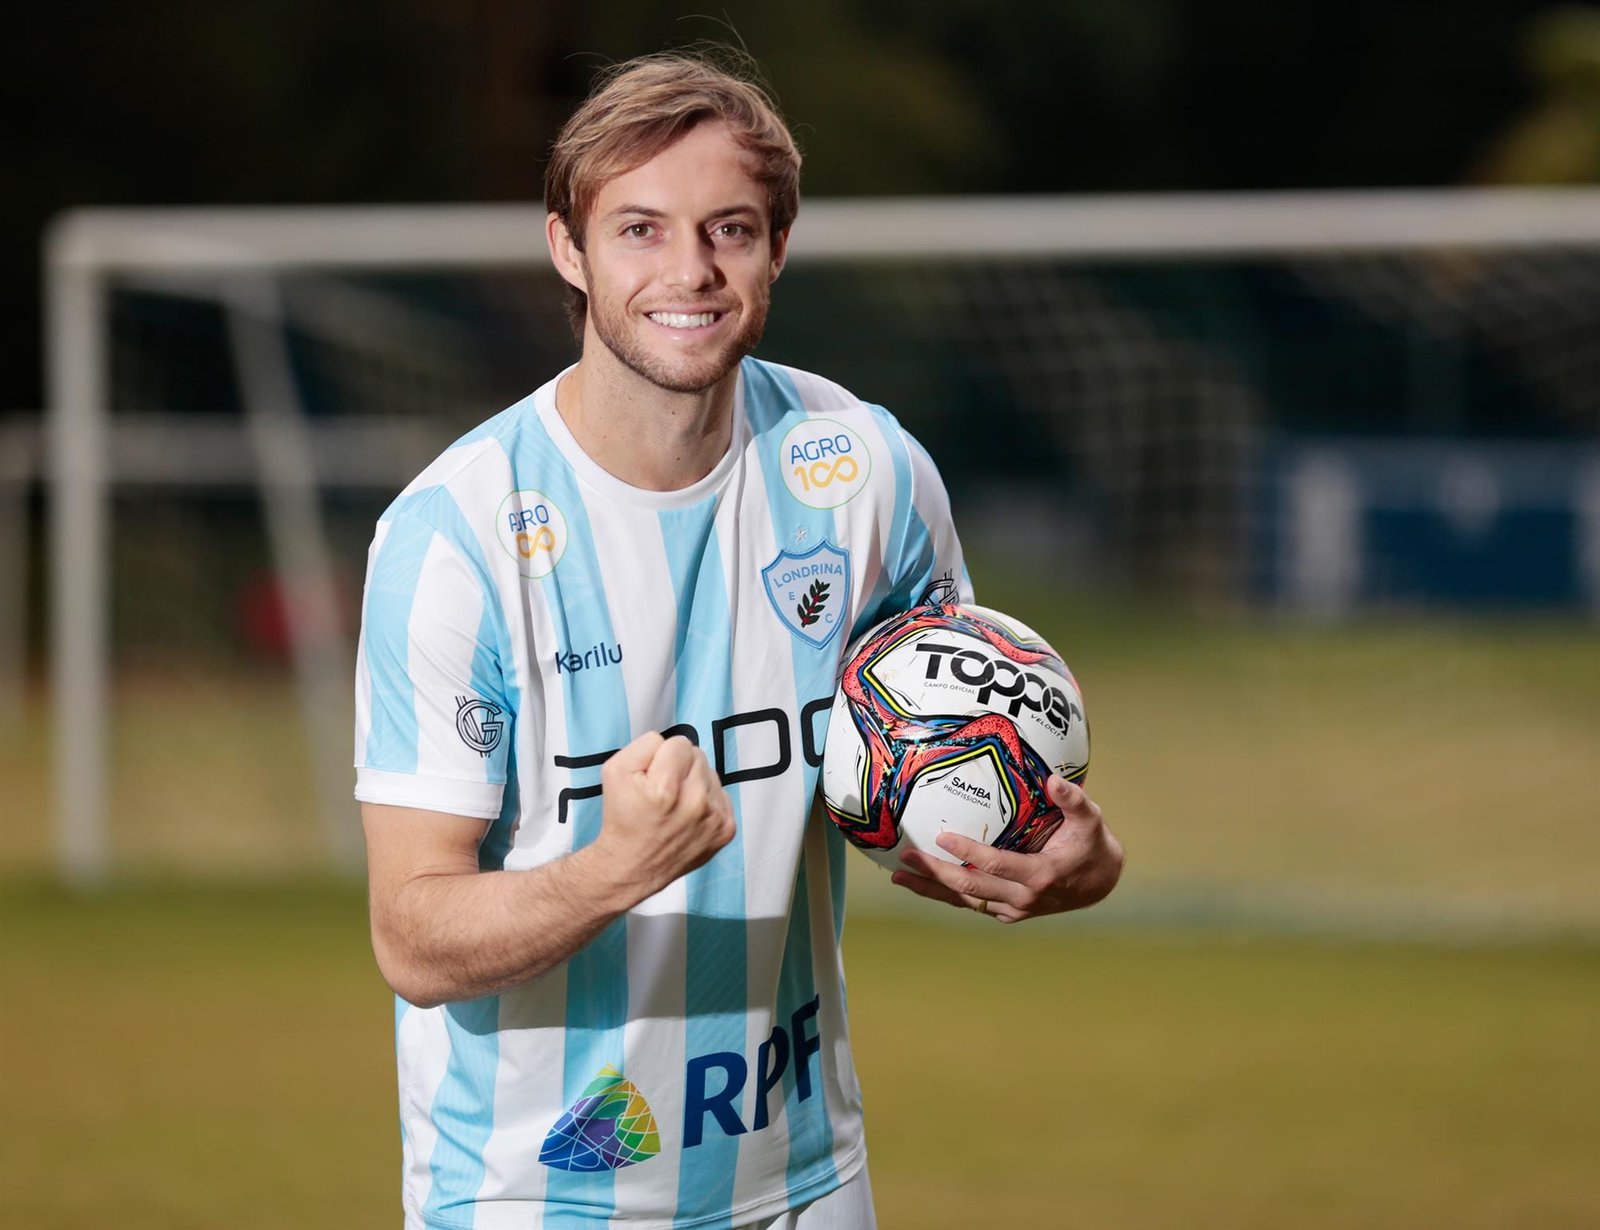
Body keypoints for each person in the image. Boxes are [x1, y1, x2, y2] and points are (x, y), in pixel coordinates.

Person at [354, 49, 1124, 1230]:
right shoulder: (454, 537)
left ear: (777, 247)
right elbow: (412, 937)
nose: (691, 271)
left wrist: (1063, 862)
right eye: (640, 230)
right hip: (534, 1192)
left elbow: (929, 777)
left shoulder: (866, 472)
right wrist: (615, 867)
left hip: (805, 1172)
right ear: (568, 249)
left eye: (729, 229)